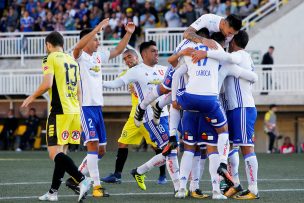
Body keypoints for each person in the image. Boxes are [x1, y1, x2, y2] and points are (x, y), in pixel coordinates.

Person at [65, 19, 136, 198]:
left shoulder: (98, 56)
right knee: (93, 146)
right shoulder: (78, 55)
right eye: (95, 39)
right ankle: (96, 187)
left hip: (97, 107)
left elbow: (118, 50)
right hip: (85, 106)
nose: (98, 42)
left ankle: (76, 178)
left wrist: (128, 33)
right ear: (87, 40)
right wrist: (97, 28)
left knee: (101, 150)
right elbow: (78, 46)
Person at [21, 31, 91, 202]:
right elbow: (79, 90)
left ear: (48, 45)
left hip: (60, 111)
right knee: (62, 154)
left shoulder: (49, 58)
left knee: (54, 153)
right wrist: (79, 111)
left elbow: (47, 84)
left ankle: (82, 179)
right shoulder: (72, 61)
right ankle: (53, 193)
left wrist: (31, 97)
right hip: (74, 111)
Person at [103, 41, 180, 193]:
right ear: (144, 54)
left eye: (157, 51)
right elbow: (115, 84)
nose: (157, 53)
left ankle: (140, 171)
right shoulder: (135, 71)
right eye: (153, 51)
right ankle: (179, 187)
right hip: (149, 118)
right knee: (169, 149)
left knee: (171, 150)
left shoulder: (163, 70)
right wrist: (97, 81)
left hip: (166, 115)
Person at [200, 30, 260, 200]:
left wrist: (206, 51)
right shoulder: (233, 59)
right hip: (234, 109)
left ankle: (253, 189)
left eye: (230, 38)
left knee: (246, 148)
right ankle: (235, 184)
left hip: (242, 108)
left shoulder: (239, 55)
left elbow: (231, 69)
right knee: (231, 148)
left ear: (234, 42)